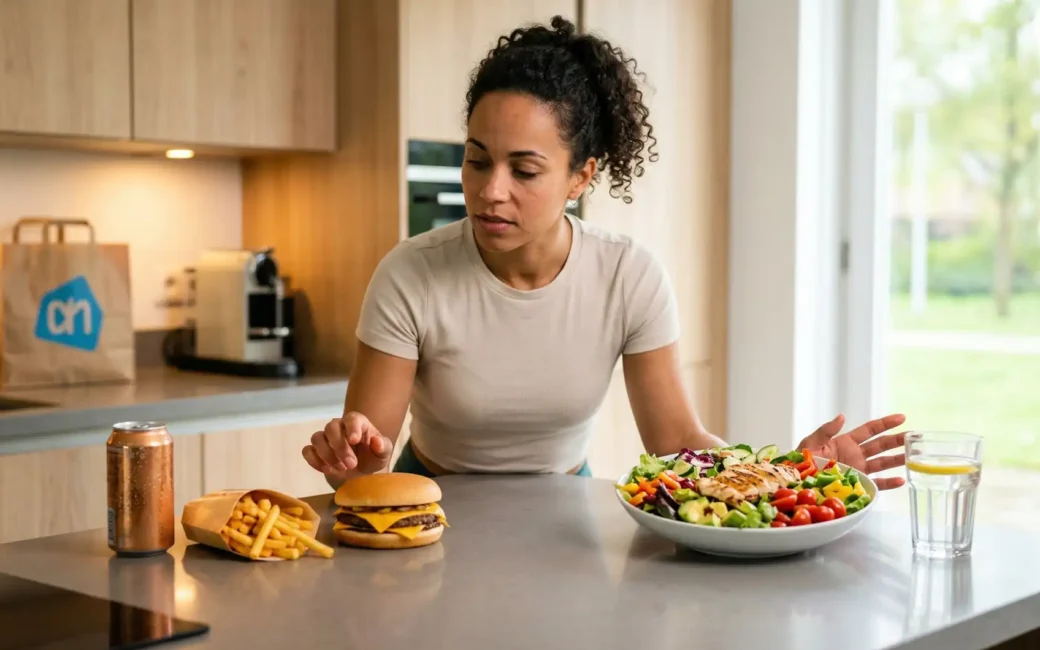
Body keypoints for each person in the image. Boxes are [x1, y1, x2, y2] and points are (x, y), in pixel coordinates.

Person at [302, 15, 908, 491]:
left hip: (568, 507)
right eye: (478, 159)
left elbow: (676, 443)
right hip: (428, 505)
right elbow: (362, 463)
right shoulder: (411, 273)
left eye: (526, 170)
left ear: (580, 177)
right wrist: (352, 459)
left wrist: (789, 472)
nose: (491, 191)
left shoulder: (628, 275)